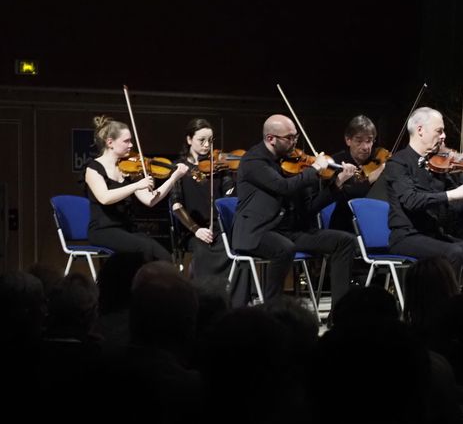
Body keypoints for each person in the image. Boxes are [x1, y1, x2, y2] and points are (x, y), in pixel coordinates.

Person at [232, 115, 358, 312]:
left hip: (289, 230)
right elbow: (284, 187)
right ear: (271, 138)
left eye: (295, 137)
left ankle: (340, 313)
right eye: (289, 138)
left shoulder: (295, 165)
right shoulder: (254, 161)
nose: (294, 142)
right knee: (285, 248)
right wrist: (315, 168)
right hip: (258, 231)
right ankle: (272, 311)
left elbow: (310, 208)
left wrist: (337, 182)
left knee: (345, 241)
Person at [383, 107, 463, 292]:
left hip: (434, 236)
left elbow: (459, 204)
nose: (444, 136)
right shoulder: (398, 163)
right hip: (406, 236)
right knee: (453, 253)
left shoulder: (439, 165)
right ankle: (443, 307)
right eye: (439, 131)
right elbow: (411, 200)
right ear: (420, 130)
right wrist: (451, 194)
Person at [84, 115, 190, 262]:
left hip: (126, 229)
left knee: (164, 256)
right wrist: (136, 185)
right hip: (103, 230)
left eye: (131, 140)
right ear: (110, 143)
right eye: (126, 141)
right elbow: (105, 198)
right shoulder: (93, 168)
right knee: (143, 248)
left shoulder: (129, 168)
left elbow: (150, 200)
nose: (131, 145)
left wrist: (173, 178)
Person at [170, 118, 234, 286]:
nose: (207, 145)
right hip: (192, 230)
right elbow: (176, 206)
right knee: (202, 250)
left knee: (234, 247)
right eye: (202, 140)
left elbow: (230, 195)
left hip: (219, 228)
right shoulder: (179, 168)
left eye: (210, 141)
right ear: (189, 139)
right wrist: (196, 229)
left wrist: (234, 181)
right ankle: (204, 296)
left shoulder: (219, 167)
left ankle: (234, 299)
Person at [328, 115, 387, 234]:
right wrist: (371, 177)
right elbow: (349, 194)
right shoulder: (337, 162)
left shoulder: (380, 159)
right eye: (359, 141)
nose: (365, 147)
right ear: (348, 140)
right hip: (345, 226)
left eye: (369, 140)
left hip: (376, 223)